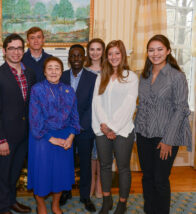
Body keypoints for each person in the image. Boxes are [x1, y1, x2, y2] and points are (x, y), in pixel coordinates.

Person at [135, 34, 192, 214]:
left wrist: (168, 140)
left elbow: (181, 109)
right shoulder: (143, 76)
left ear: (168, 51)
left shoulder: (177, 76)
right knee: (148, 177)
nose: (155, 53)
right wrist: (137, 132)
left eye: (160, 49)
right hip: (144, 134)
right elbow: (142, 105)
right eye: (151, 50)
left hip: (165, 136)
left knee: (160, 180)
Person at [0, 33, 36, 214]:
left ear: (24, 50)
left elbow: (32, 105)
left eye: (19, 48)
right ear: (4, 50)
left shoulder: (30, 74)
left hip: (25, 134)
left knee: (15, 172)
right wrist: (0, 139)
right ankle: (2, 206)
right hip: (6, 136)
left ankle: (12, 200)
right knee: (4, 173)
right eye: (11, 48)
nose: (16, 52)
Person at [28, 56, 81, 214]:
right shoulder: (37, 89)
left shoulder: (69, 90)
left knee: (60, 174)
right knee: (41, 173)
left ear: (61, 71)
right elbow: (35, 119)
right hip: (42, 136)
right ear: (44, 71)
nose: (53, 71)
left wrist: (71, 137)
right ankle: (41, 204)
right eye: (50, 68)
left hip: (65, 137)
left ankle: (56, 204)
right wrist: (51, 139)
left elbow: (75, 117)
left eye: (57, 68)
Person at [92, 40, 138, 214]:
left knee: (123, 167)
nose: (113, 57)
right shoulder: (100, 76)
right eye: (110, 53)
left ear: (123, 55)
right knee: (104, 165)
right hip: (101, 129)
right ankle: (106, 200)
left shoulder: (131, 77)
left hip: (123, 129)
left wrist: (112, 128)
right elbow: (97, 102)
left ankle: (122, 203)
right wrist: (104, 126)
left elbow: (129, 105)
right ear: (107, 56)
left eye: (117, 53)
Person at [60, 44, 97, 212]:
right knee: (65, 163)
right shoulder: (62, 76)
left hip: (84, 129)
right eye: (73, 56)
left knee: (85, 164)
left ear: (85, 58)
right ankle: (66, 192)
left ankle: (85, 196)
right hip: (64, 130)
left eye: (79, 55)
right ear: (69, 58)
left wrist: (77, 127)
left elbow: (92, 106)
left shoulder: (92, 78)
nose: (76, 59)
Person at [85, 38, 105, 199]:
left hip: (104, 118)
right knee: (91, 154)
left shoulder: (109, 70)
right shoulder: (84, 71)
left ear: (103, 51)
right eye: (92, 49)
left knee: (102, 153)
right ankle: (91, 181)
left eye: (98, 49)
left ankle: (100, 183)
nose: (95, 52)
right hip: (88, 117)